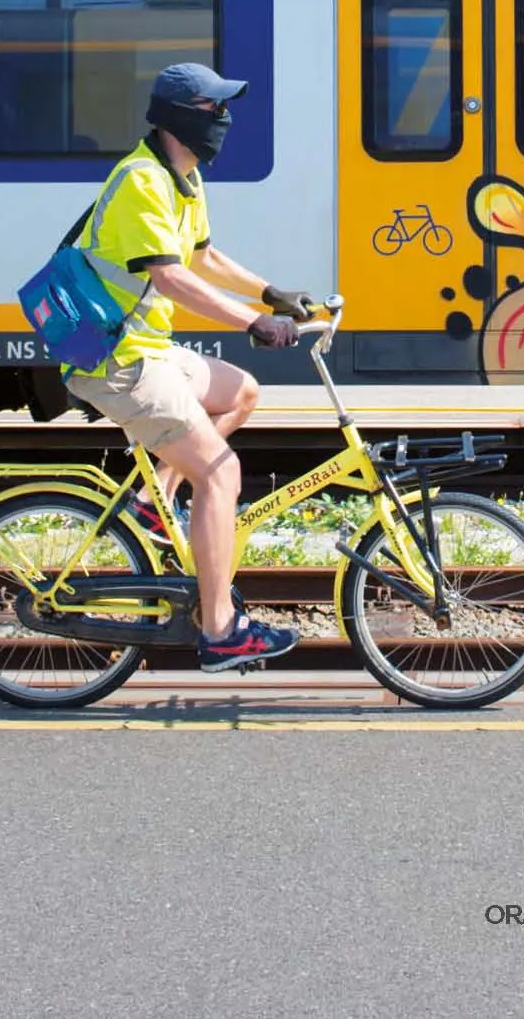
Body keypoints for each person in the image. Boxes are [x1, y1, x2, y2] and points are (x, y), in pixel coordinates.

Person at [64, 62, 315, 672]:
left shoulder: (184, 177)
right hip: (117, 359)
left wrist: (272, 294)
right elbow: (170, 276)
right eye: (214, 109)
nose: (224, 119)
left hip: (148, 350)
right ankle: (221, 631)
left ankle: (157, 502)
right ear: (180, 116)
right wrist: (251, 324)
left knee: (243, 393)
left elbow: (204, 257)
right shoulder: (140, 181)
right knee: (222, 473)